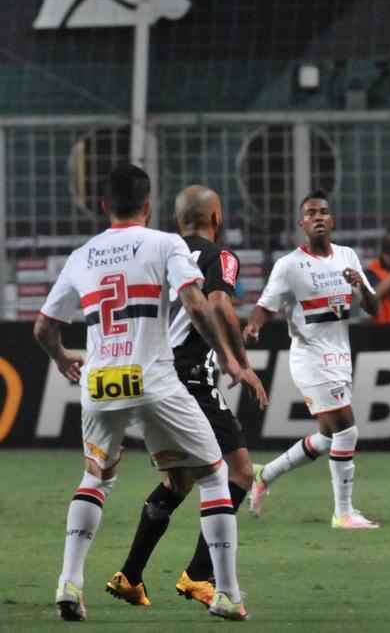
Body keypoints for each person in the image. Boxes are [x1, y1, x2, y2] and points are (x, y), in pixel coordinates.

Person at [33, 164, 251, 621]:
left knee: (95, 478)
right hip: (153, 379)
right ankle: (227, 593)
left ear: (103, 206)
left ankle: (69, 583)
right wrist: (229, 358)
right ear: (148, 206)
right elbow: (196, 304)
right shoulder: (164, 243)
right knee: (214, 475)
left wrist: (60, 358)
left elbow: (43, 328)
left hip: (99, 381)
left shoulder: (82, 255)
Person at [106, 186, 269, 610]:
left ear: (177, 219)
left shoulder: (158, 253)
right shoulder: (221, 257)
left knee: (178, 480)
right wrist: (240, 362)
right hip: (189, 379)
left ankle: (130, 575)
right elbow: (218, 305)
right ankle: (200, 576)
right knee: (239, 473)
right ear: (216, 217)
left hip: (145, 376)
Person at [244, 189, 381, 529]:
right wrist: (254, 326)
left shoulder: (347, 256)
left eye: (323, 212)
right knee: (347, 430)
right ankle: (343, 512)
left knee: (326, 437)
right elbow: (265, 305)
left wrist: (359, 286)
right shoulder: (289, 265)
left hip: (340, 357)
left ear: (331, 220)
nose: (318, 217)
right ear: (302, 223)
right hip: (310, 359)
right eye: (311, 213)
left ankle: (265, 475)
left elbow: (374, 308)